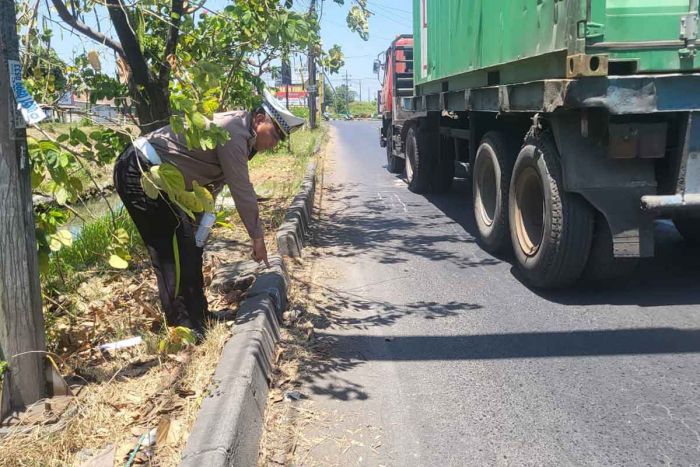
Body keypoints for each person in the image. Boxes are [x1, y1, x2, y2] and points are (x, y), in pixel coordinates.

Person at [113, 90, 305, 337]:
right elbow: (242, 189)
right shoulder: (234, 131)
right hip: (140, 171)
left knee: (190, 247)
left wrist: (199, 223)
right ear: (259, 119)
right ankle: (181, 327)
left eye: (280, 138)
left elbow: (212, 182)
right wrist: (257, 237)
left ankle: (199, 317)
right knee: (171, 253)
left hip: (167, 183)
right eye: (275, 134)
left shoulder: (244, 138)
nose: (274, 144)